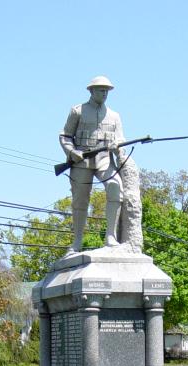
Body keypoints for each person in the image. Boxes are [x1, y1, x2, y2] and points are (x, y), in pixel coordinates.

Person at [59, 76, 125, 253]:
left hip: (104, 159)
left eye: (107, 90)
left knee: (115, 186)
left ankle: (110, 236)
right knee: (80, 199)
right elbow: (65, 136)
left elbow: (120, 140)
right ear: (91, 91)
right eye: (101, 90)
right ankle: (77, 241)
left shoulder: (114, 116)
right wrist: (72, 152)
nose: (104, 93)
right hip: (82, 159)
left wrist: (117, 147)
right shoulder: (78, 111)